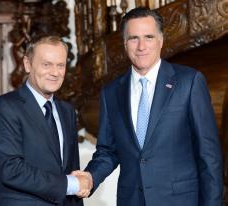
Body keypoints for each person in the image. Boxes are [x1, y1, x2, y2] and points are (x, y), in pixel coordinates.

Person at [73, 7, 223, 206]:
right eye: (134, 38)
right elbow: (108, 151)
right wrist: (90, 177)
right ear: (125, 44)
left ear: (161, 41)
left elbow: (209, 154)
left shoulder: (189, 82)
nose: (141, 46)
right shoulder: (111, 93)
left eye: (149, 37)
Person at [0, 35, 92, 206]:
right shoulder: (4, 107)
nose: (55, 72)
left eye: (61, 65)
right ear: (27, 64)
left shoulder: (67, 111)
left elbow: (71, 170)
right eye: (46, 64)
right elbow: (11, 170)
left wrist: (78, 185)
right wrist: (71, 184)